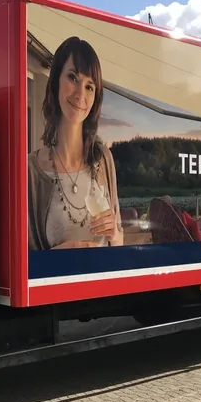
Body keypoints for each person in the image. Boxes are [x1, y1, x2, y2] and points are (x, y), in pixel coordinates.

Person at [28, 36, 123, 251]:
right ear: (55, 82)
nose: (81, 94)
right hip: (58, 276)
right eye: (73, 78)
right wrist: (58, 257)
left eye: (90, 86)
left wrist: (115, 235)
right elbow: (24, 261)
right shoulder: (31, 170)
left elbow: (118, 246)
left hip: (103, 275)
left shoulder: (104, 160)